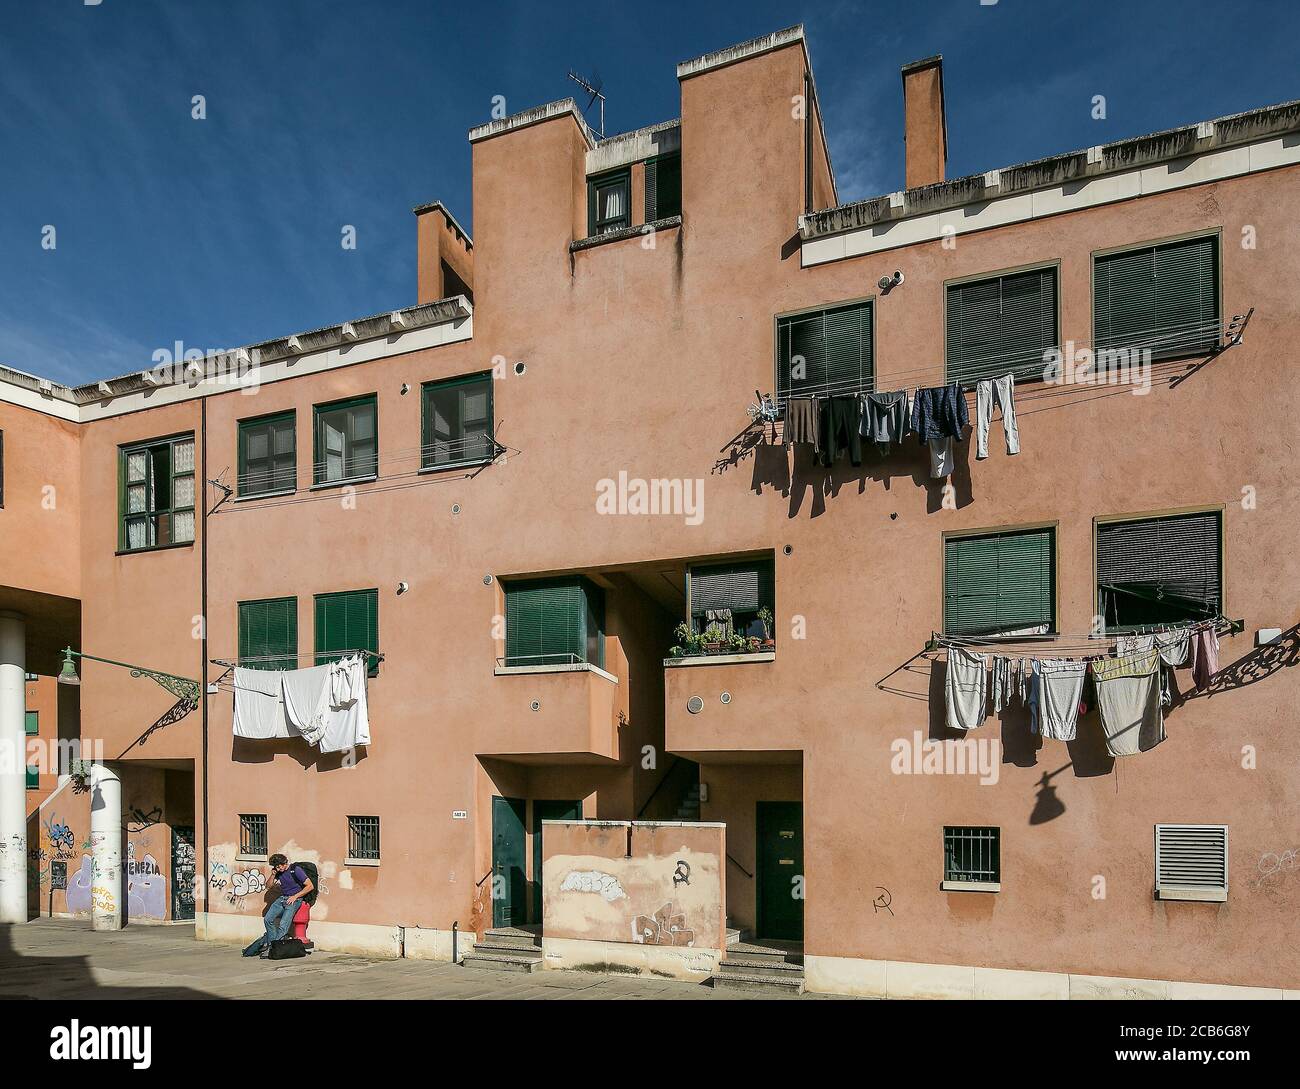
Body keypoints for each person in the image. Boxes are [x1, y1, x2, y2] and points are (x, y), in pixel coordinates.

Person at [241, 854, 314, 958]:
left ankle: (272, 948)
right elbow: (268, 886)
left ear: (285, 863)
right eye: (277, 867)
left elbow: (310, 886)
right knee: (267, 919)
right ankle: (274, 944)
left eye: (280, 866)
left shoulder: (295, 870)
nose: (279, 869)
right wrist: (273, 875)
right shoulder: (278, 872)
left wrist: (295, 896)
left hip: (294, 899)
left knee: (283, 925)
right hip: (282, 898)